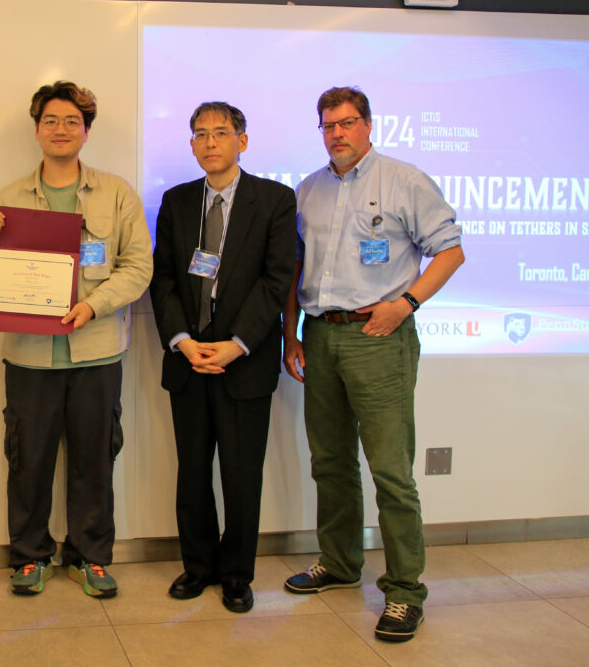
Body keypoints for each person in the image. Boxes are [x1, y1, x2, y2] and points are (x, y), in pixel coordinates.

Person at [282, 87, 464, 643]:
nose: (337, 133)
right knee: (330, 461)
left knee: (390, 470)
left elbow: (450, 250)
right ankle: (339, 563)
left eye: (347, 123)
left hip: (379, 337)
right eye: (328, 125)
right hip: (321, 334)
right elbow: (295, 268)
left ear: (367, 125)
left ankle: (405, 591)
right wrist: (290, 332)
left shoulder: (405, 180)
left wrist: (406, 303)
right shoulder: (307, 190)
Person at [0, 80, 152, 598]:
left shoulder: (116, 193)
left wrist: (94, 304)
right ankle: (29, 557)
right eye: (50, 120)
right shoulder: (8, 198)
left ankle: (90, 557)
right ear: (36, 130)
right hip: (29, 358)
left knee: (95, 459)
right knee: (27, 460)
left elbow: (139, 265)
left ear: (86, 131)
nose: (60, 129)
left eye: (72, 121)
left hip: (97, 353)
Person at [149, 102, 296, 613]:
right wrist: (183, 340)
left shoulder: (274, 200)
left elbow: (277, 280)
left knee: (240, 474)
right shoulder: (176, 201)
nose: (210, 142)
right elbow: (163, 278)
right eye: (200, 134)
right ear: (191, 145)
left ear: (242, 141)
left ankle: (236, 574)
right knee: (192, 472)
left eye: (221, 133)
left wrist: (237, 344)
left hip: (244, 362)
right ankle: (198, 567)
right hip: (188, 360)